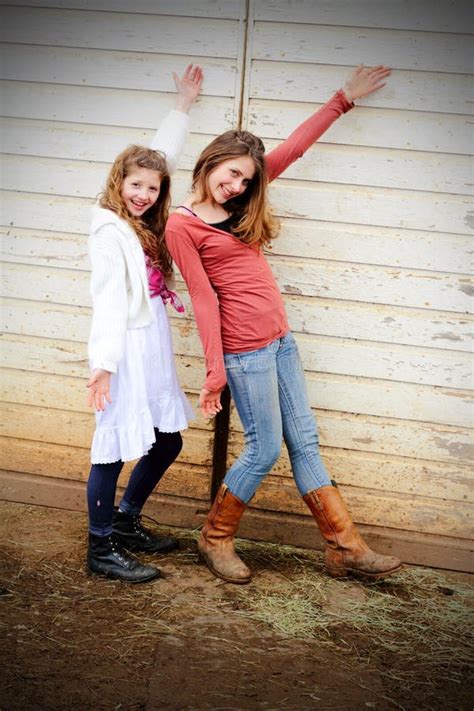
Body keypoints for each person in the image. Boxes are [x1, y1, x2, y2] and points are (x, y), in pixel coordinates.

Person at [165, 65, 402, 584]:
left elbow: (293, 148)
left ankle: (345, 548)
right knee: (264, 448)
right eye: (230, 173)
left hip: (280, 342)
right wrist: (213, 371)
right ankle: (214, 538)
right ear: (210, 162)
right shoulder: (182, 224)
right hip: (244, 353)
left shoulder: (246, 200)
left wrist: (343, 99)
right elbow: (203, 300)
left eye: (247, 178)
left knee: (305, 441)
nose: (236, 185)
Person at [86, 65, 203, 583]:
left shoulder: (145, 215)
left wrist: (181, 106)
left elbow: (162, 160)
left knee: (167, 440)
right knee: (113, 442)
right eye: (136, 185)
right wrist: (103, 367)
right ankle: (100, 547)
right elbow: (108, 302)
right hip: (125, 347)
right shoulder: (110, 232)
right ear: (119, 181)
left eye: (153, 189)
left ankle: (126, 520)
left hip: (152, 340)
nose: (145, 195)